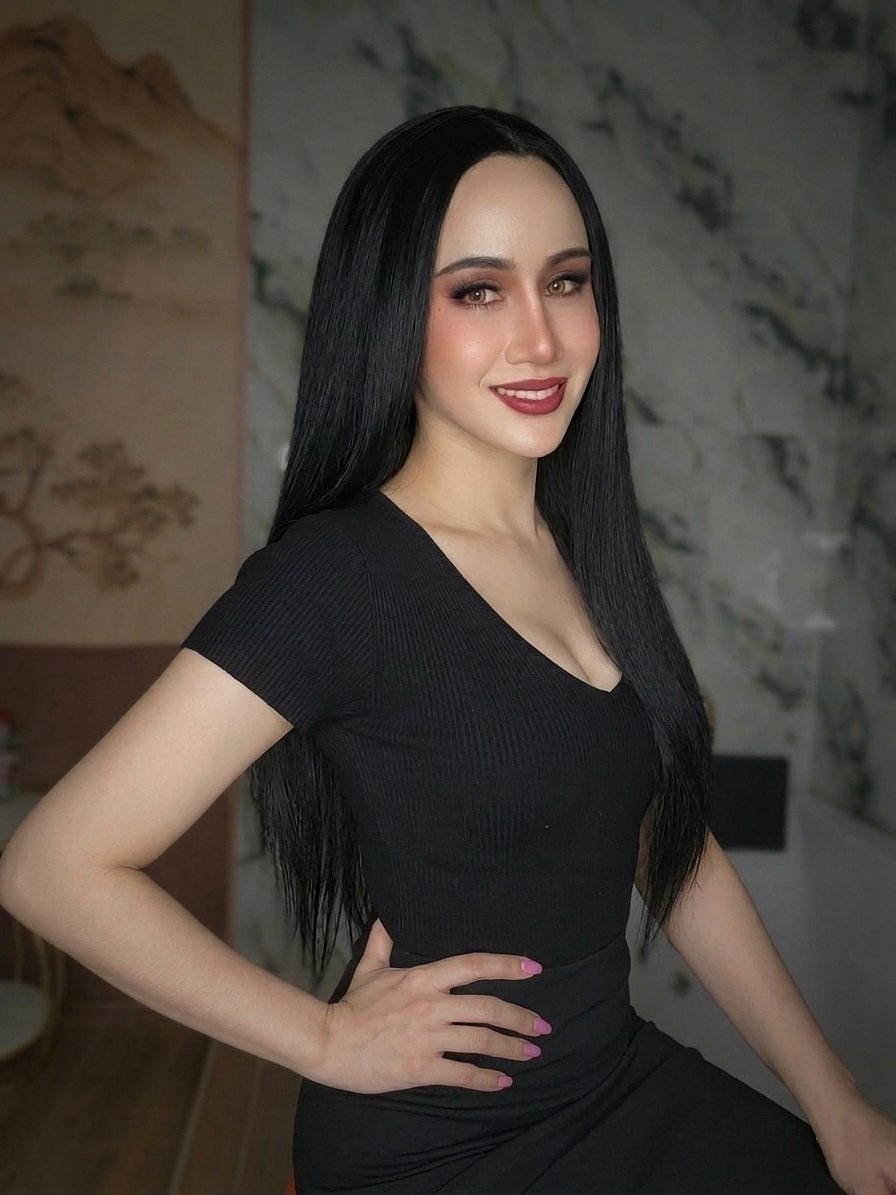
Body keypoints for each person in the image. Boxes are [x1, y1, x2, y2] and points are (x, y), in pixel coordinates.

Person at [1, 106, 894, 1195]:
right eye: (478, 291)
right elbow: (54, 868)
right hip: (438, 1145)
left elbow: (668, 844)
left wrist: (834, 1101)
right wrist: (324, 1039)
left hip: (613, 1082)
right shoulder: (335, 579)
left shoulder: (588, 552)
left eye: (566, 281)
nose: (540, 339)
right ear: (389, 314)